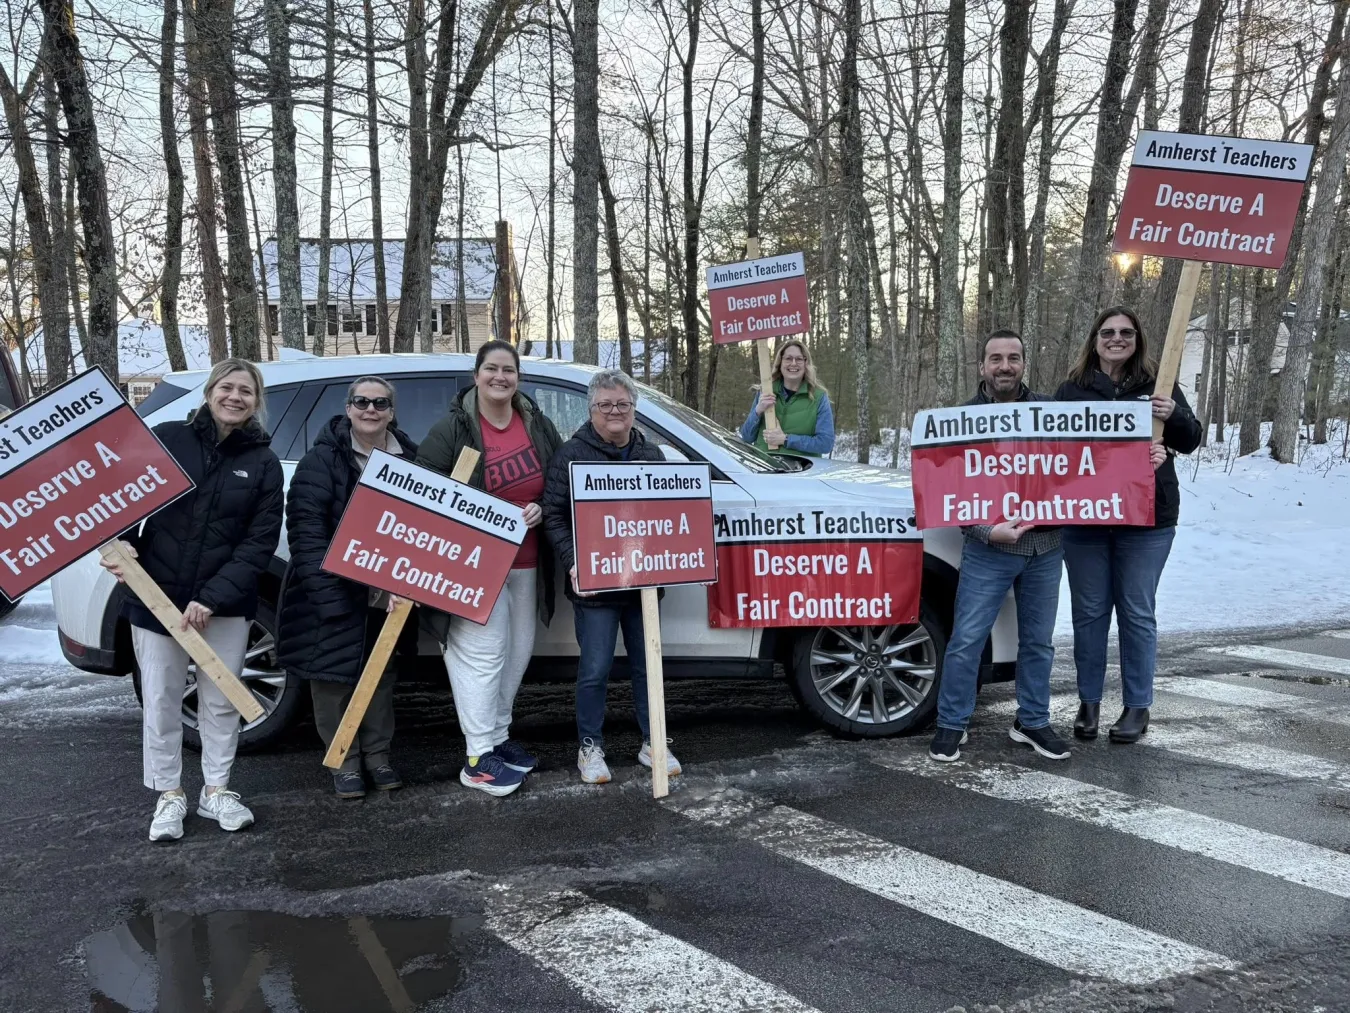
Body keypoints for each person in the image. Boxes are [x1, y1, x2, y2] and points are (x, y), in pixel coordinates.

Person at [100, 359, 283, 841]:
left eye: (246, 390)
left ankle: (216, 790)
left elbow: (258, 543)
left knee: (221, 700)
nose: (235, 397)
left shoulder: (262, 462)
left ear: (255, 401)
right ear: (209, 391)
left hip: (224, 605)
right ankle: (168, 795)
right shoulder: (167, 437)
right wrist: (121, 546)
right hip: (155, 597)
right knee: (160, 699)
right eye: (227, 387)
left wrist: (212, 597)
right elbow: (120, 498)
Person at [417, 341, 563, 797]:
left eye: (509, 370)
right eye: (492, 369)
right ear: (476, 374)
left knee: (516, 654)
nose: (500, 377)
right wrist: (480, 514)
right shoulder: (454, 428)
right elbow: (423, 489)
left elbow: (557, 479)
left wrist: (540, 505)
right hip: (472, 566)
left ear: (518, 377)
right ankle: (478, 758)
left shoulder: (535, 424)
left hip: (525, 562)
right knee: (481, 657)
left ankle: (498, 739)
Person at [1055, 306, 1202, 744]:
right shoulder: (1071, 390)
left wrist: (1171, 422)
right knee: (1089, 613)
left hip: (1148, 519)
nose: (1116, 339)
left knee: (1137, 612)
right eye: (1107, 332)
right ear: (1094, 340)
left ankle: (1137, 707)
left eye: (1125, 332)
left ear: (1137, 338)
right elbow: (1052, 450)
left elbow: (1190, 439)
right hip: (1086, 521)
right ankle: (1089, 703)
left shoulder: (1158, 386)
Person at [929, 330, 1070, 763]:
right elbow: (948, 490)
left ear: (1024, 363)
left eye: (1013, 358)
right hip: (989, 547)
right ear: (982, 366)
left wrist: (1147, 455)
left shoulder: (1052, 412)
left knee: (1039, 642)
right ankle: (952, 723)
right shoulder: (961, 419)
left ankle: (1032, 721)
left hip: (1046, 547)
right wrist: (986, 531)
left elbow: (1087, 468)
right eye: (995, 358)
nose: (1004, 366)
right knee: (967, 639)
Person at [278, 377, 419, 799]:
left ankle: (378, 756)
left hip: (387, 594)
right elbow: (305, 532)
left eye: (380, 403)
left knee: (380, 677)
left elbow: (426, 531)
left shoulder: (411, 460)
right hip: (334, 590)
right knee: (333, 679)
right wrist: (327, 595)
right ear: (348, 407)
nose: (370, 409)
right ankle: (345, 761)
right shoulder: (321, 460)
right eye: (362, 401)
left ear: (392, 411)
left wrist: (412, 583)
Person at [541, 368, 683, 784]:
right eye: (605, 405)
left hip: (642, 585)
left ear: (634, 409)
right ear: (591, 411)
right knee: (595, 668)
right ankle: (590, 747)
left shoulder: (652, 456)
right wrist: (573, 562)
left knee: (647, 665)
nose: (615, 412)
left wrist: (670, 561)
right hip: (595, 589)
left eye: (623, 404)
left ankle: (654, 740)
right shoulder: (570, 455)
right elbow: (553, 515)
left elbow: (667, 519)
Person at [738, 339, 835, 456]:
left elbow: (825, 444)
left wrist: (785, 439)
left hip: (800, 470)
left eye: (799, 359)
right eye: (788, 358)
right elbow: (747, 438)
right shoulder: (765, 391)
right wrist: (758, 411)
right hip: (764, 469)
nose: (793, 363)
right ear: (780, 363)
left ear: (806, 364)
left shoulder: (818, 397)